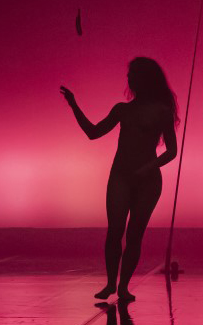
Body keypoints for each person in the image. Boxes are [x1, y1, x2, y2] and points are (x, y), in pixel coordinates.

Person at [60, 57, 178, 301]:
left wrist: (148, 168)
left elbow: (172, 151)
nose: (129, 78)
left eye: (133, 74)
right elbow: (93, 132)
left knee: (134, 234)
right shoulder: (122, 110)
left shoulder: (162, 112)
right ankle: (111, 284)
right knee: (115, 231)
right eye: (129, 75)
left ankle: (123, 286)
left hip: (148, 180)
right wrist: (73, 105)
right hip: (121, 176)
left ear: (144, 79)